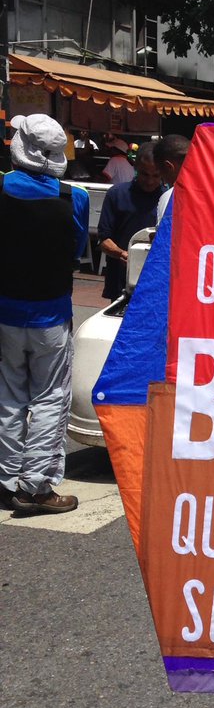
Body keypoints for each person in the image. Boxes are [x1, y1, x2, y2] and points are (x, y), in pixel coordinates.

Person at [0, 114, 90, 514]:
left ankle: (5, 479)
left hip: (5, 310)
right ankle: (36, 487)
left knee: (8, 396)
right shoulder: (74, 196)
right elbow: (74, 250)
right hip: (51, 314)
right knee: (51, 397)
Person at [96, 143, 163, 301]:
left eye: (156, 175)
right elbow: (104, 239)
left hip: (156, 282)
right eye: (145, 174)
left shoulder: (167, 200)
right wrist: (123, 254)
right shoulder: (116, 194)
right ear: (136, 168)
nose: (150, 181)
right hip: (120, 280)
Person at [152, 133, 191, 223]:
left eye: (160, 172)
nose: (162, 179)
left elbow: (166, 235)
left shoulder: (171, 198)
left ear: (169, 166)